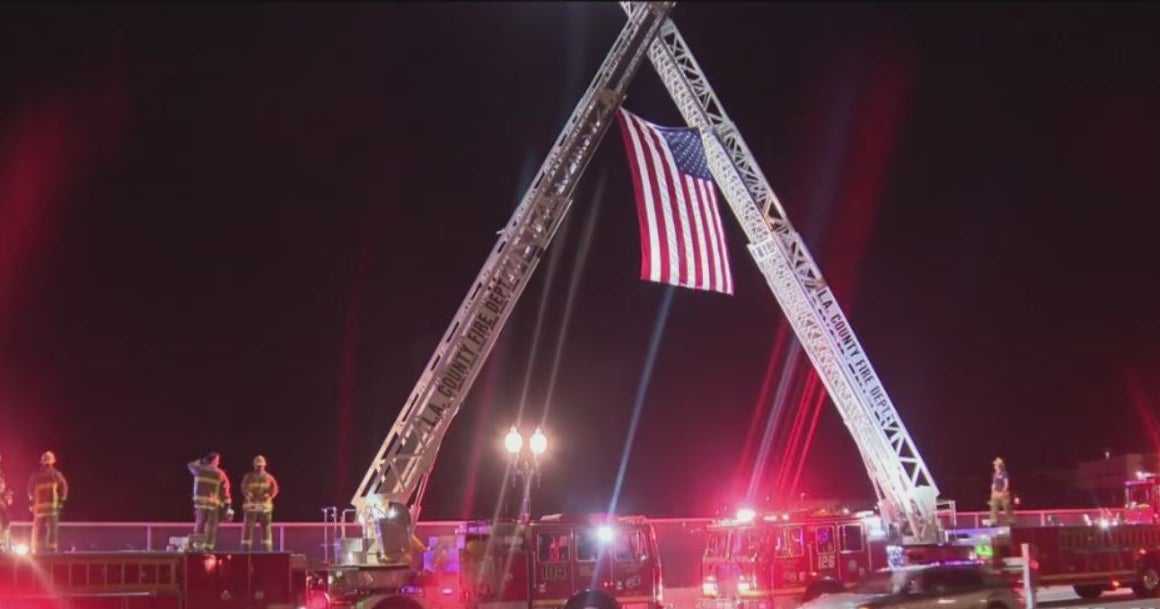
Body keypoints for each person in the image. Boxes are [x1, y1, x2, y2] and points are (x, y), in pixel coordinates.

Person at [188, 452, 232, 551]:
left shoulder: (199, 470)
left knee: (199, 524)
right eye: (217, 460)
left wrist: (202, 461)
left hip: (201, 504)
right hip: (213, 504)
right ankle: (209, 548)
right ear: (214, 461)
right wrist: (227, 505)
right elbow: (225, 490)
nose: (218, 462)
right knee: (211, 527)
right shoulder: (220, 473)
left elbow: (190, 465)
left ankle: (197, 547)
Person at [27, 451, 68, 553]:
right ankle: (52, 548)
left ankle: (36, 549)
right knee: (52, 528)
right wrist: (61, 501)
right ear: (53, 461)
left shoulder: (36, 475)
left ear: (42, 461)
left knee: (38, 529)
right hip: (52, 508)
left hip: (39, 508)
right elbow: (64, 488)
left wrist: (32, 502)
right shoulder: (56, 474)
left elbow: (30, 489)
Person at [240, 454, 279, 551]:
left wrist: (269, 496)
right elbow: (244, 488)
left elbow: (275, 489)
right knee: (248, 529)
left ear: (264, 466)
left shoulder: (269, 478)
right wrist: (248, 494)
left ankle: (267, 550)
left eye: (260, 466)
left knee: (266, 528)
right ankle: (246, 550)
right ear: (254, 466)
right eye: (257, 466)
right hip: (251, 506)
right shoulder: (248, 477)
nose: (259, 468)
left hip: (264, 507)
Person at [989, 457, 1014, 526]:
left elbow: (1006, 483)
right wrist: (992, 492)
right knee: (994, 507)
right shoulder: (994, 474)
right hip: (996, 493)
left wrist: (1004, 490)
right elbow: (993, 484)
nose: (994, 467)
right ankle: (993, 521)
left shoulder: (1004, 473)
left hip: (1003, 493)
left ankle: (1010, 521)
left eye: (995, 465)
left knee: (1006, 506)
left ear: (999, 466)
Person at [0, 454, 13, 552]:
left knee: (5, 523)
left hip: (2, 504)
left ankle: (2, 544)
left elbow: (3, 489)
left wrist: (7, 495)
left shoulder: (1, 474)